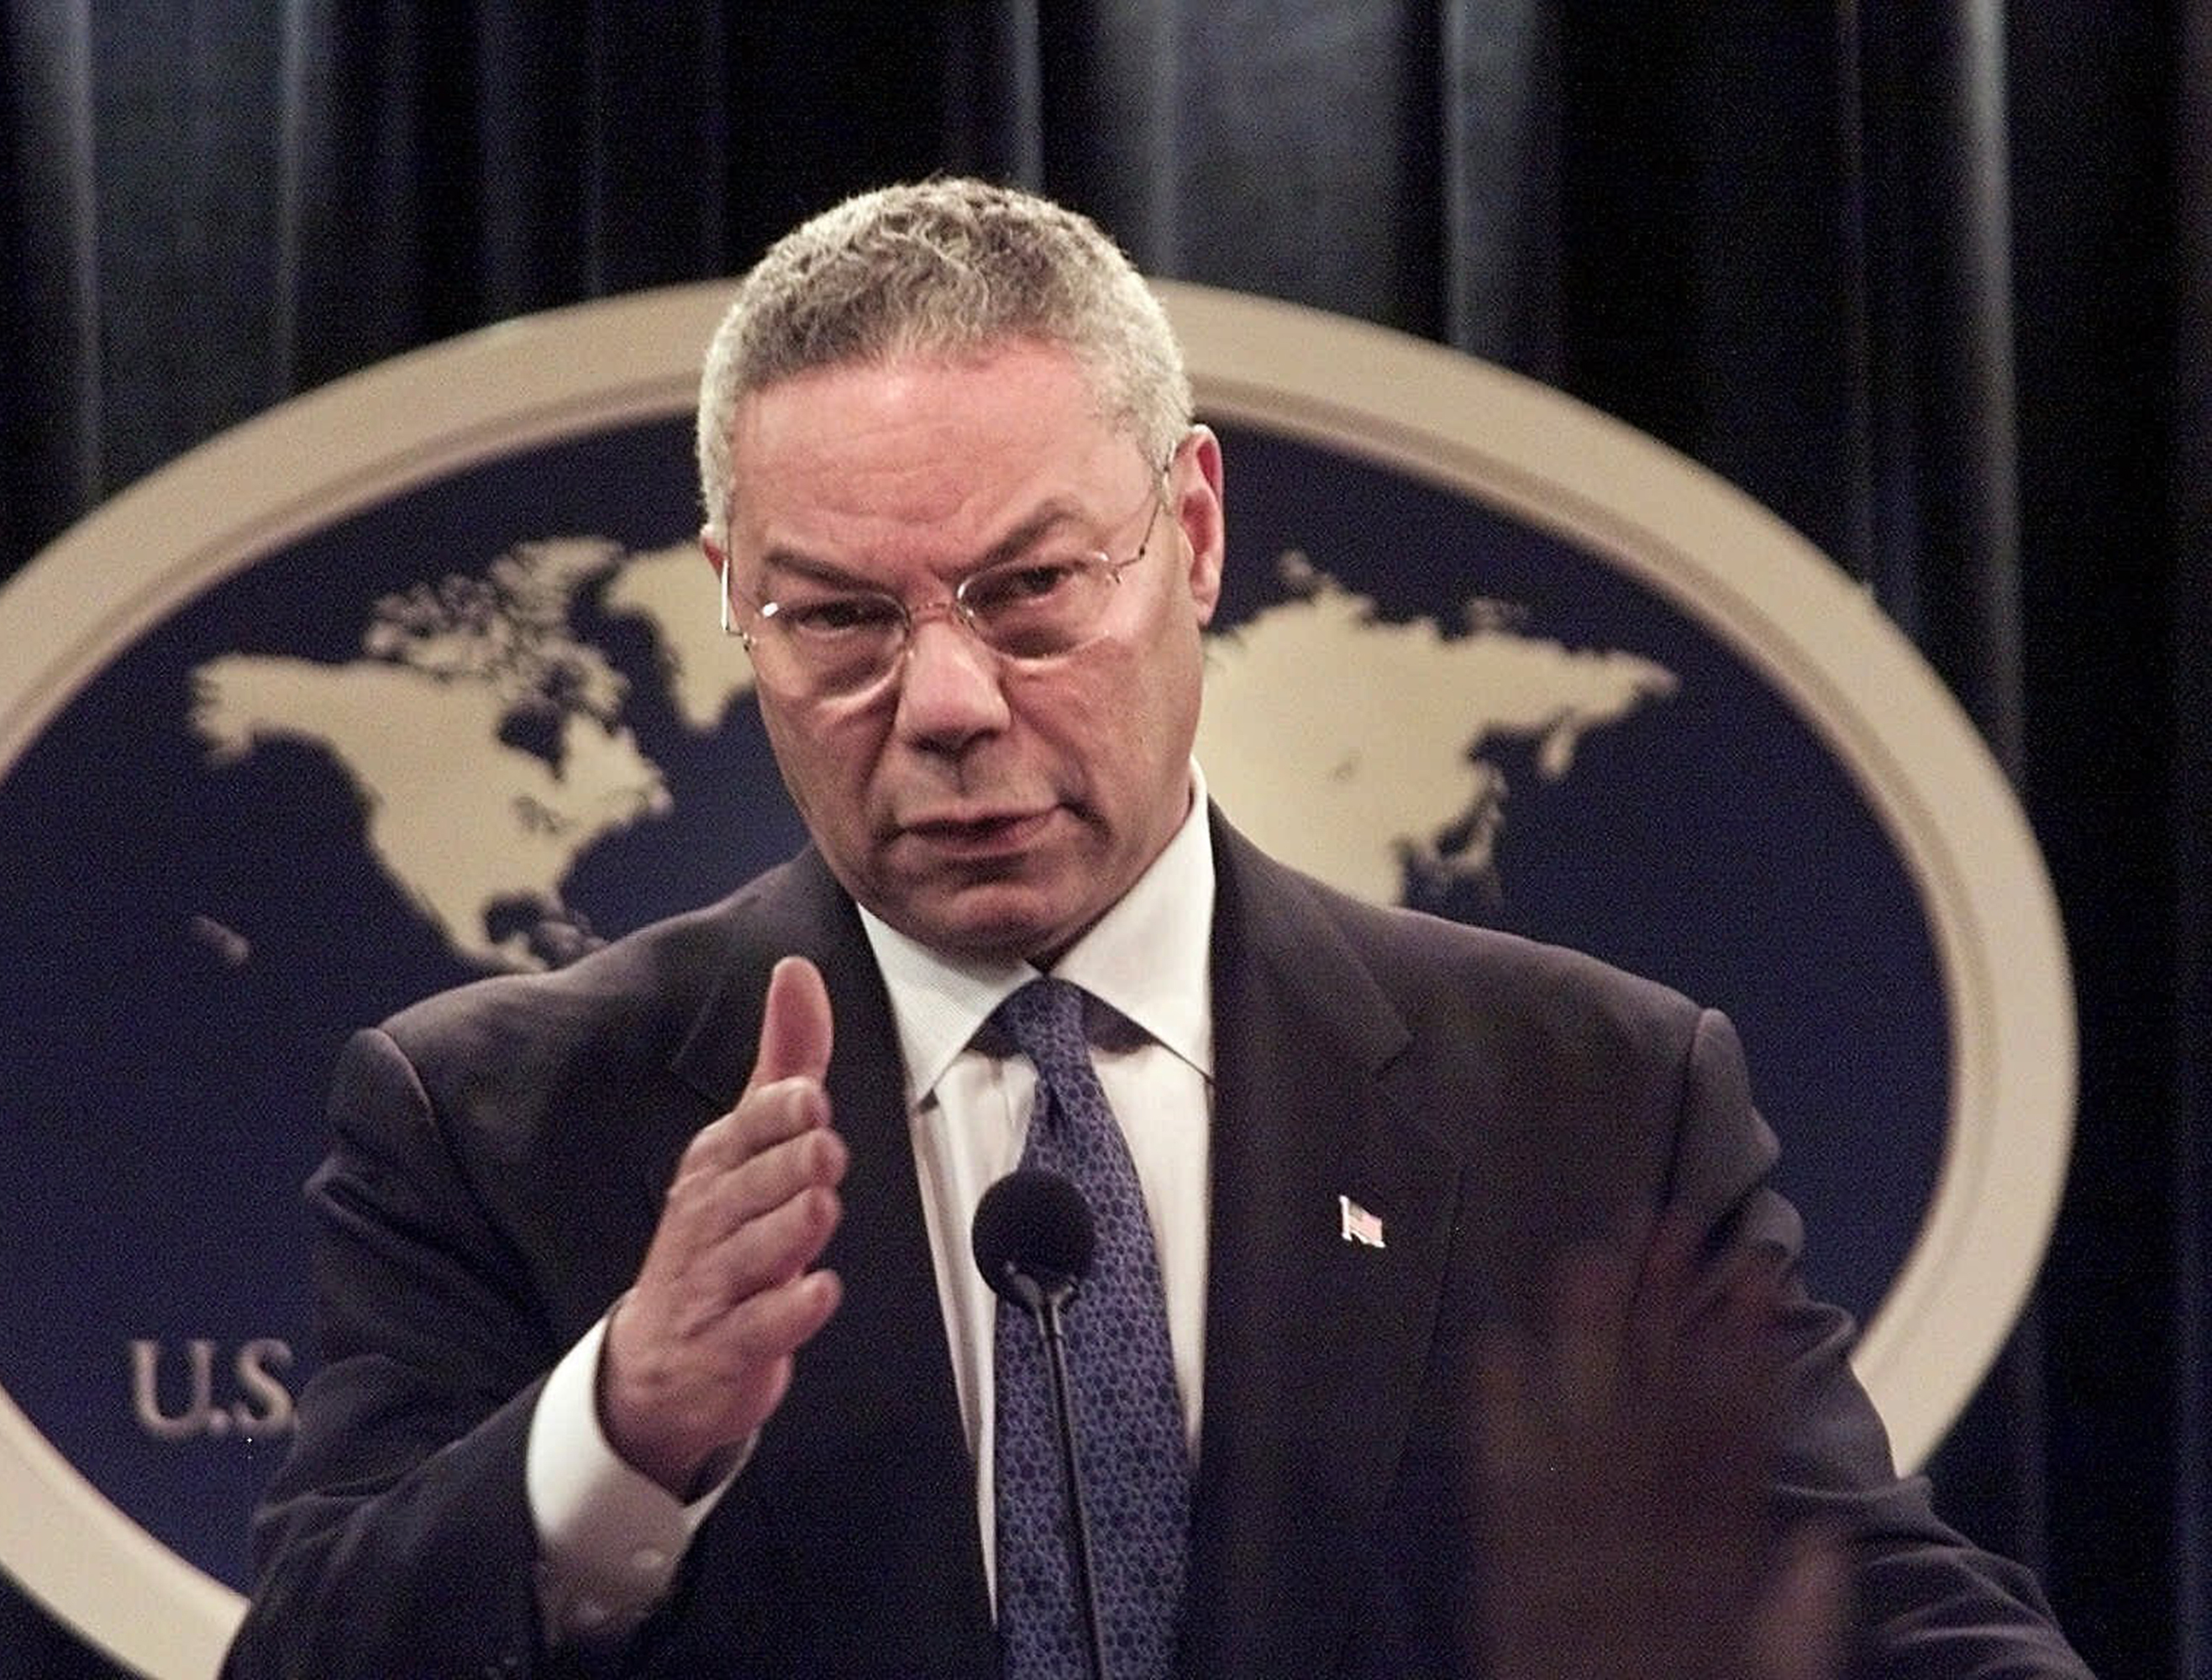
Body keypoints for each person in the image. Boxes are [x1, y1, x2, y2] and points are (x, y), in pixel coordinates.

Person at [221, 178, 2089, 1680]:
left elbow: (1869, 1613)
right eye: (840, 620)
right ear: (732, 603)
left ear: (1192, 531)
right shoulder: (498, 1120)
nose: (945, 699)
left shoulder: (1592, 1098)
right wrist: (621, 1429)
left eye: (1030, 589)